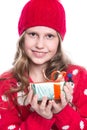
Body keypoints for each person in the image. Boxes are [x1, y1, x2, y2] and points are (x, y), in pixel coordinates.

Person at [0, 0, 87, 129]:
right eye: (33, 34)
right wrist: (41, 117)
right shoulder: (7, 84)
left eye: (49, 36)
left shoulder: (77, 77)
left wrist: (62, 111)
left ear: (59, 40)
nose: (40, 45)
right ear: (23, 38)